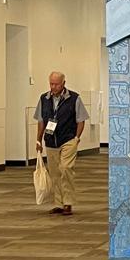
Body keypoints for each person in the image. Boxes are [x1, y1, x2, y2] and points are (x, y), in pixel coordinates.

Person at [34, 71, 89, 217]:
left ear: (63, 83)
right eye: (51, 83)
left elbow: (81, 120)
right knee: (55, 173)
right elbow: (41, 121)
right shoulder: (44, 99)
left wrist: (76, 138)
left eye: (56, 84)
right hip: (51, 140)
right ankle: (58, 204)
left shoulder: (74, 98)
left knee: (66, 168)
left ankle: (68, 202)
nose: (53, 87)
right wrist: (38, 140)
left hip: (68, 139)